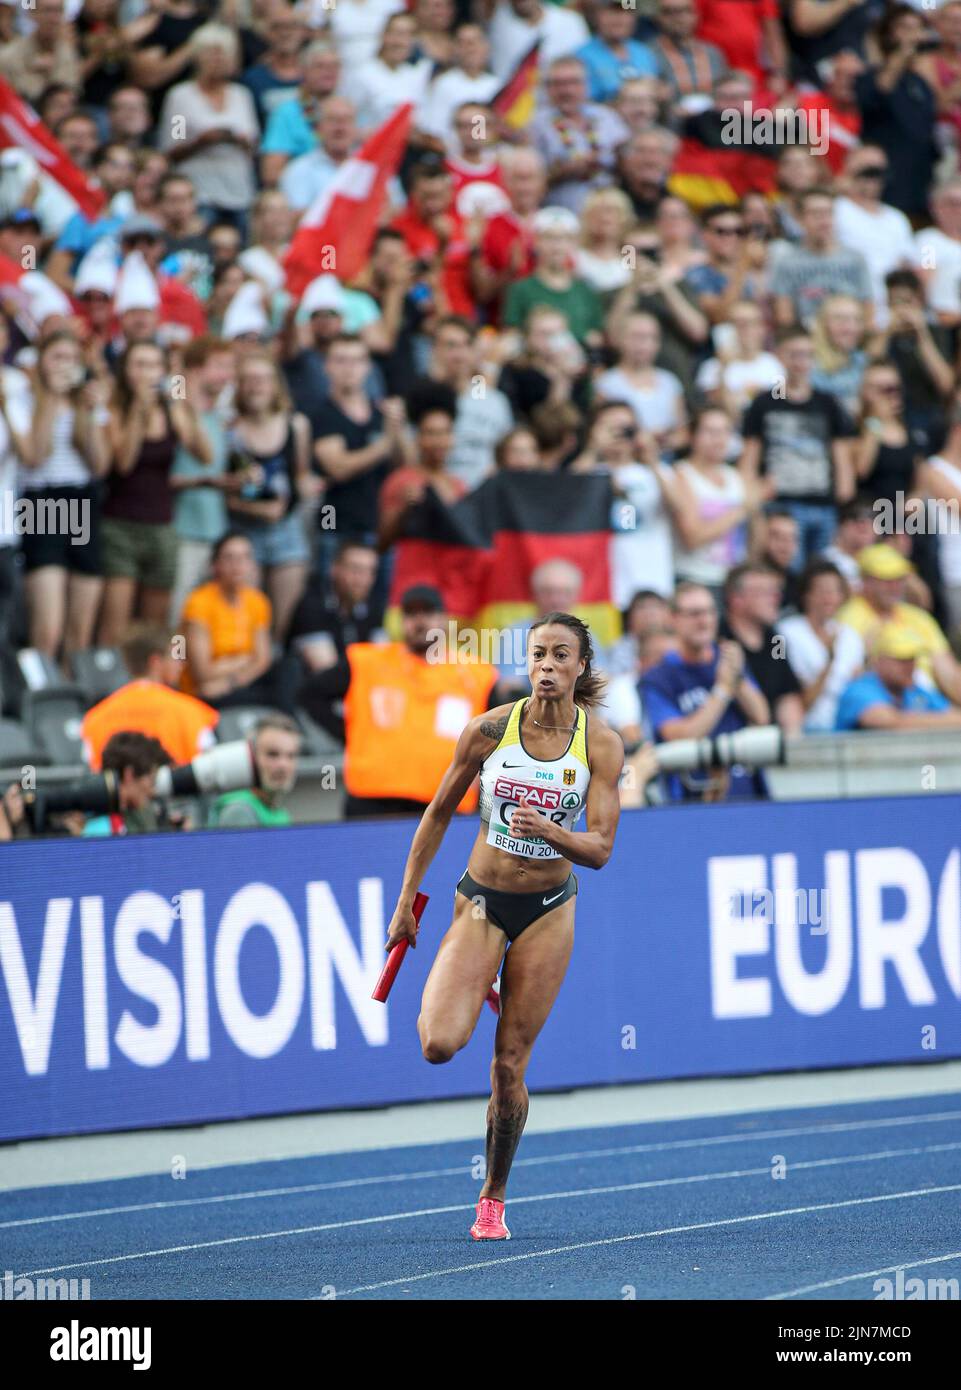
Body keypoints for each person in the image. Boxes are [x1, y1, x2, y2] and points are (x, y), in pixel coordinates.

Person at [384, 609, 623, 1240]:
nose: (547, 667)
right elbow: (437, 814)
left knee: (509, 1065)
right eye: (538, 655)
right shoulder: (489, 731)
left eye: (560, 657)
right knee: (437, 1044)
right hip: (482, 902)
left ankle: (492, 1197)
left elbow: (600, 850)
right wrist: (407, 898)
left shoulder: (599, 744)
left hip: (548, 912)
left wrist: (550, 831)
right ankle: (482, 972)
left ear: (580, 667)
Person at [341, 584, 499, 817]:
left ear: (444, 619)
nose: (420, 621)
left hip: (447, 800)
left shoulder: (477, 674)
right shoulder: (367, 662)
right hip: (373, 797)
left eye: (428, 613)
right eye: (411, 614)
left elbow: (499, 735)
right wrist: (349, 733)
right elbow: (311, 695)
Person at [98, 339, 213, 646]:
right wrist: (139, 409)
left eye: (153, 365)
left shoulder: (171, 408)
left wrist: (184, 403)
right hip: (119, 525)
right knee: (115, 627)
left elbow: (205, 454)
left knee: (155, 627)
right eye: (139, 364)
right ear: (126, 370)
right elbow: (123, 462)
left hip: (162, 525)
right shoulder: (115, 407)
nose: (146, 373)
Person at [739, 324, 857, 565]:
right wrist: (751, 493)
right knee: (788, 571)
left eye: (807, 354)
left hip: (823, 503)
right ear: (780, 357)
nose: (801, 362)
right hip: (781, 503)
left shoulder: (827, 403)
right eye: (794, 354)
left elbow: (840, 453)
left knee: (821, 571)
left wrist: (844, 494)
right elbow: (750, 455)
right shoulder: (765, 402)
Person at [641, 582, 769, 801]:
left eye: (710, 612)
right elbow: (678, 736)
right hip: (692, 796)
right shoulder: (657, 678)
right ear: (673, 619)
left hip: (746, 790)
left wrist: (736, 678)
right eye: (694, 614)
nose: (705, 621)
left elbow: (762, 717)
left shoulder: (729, 661)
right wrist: (722, 690)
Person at [224, 351, 313, 641]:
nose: (256, 386)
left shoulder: (296, 426)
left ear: (275, 384)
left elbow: (300, 476)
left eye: (263, 379)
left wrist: (307, 489)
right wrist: (254, 510)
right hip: (244, 532)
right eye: (248, 380)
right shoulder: (230, 431)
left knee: (284, 624)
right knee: (247, 621)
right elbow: (224, 491)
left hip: (286, 532)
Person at [82, 621, 219, 770]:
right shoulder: (192, 712)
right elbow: (210, 766)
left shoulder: (96, 717)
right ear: (155, 662)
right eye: (175, 656)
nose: (182, 664)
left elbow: (90, 768)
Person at [837, 542, 961, 703]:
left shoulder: (919, 617)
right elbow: (850, 679)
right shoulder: (848, 620)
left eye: (899, 579)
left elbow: (948, 673)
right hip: (882, 704)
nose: (894, 587)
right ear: (866, 581)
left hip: (929, 704)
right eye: (886, 580)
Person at [289, 540, 382, 741]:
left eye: (369, 572)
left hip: (354, 698)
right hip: (311, 702)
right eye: (355, 570)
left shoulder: (374, 609)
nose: (361, 579)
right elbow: (327, 674)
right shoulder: (312, 606)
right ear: (334, 569)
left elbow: (383, 669)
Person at [777, 559, 865, 732]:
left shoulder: (851, 636)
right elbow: (792, 696)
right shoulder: (782, 634)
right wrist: (829, 661)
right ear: (806, 594)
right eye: (822, 591)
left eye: (835, 591)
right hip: (806, 726)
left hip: (849, 727)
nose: (829, 598)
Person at [720, 563, 805, 733]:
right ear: (736, 599)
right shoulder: (719, 638)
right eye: (765, 593)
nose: (776, 599)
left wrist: (791, 738)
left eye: (776, 592)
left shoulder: (776, 639)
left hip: (773, 738)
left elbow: (787, 692)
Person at [835, 628, 961, 731]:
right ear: (879, 660)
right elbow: (888, 722)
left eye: (912, 658)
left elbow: (952, 715)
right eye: (901, 659)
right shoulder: (859, 689)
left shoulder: (914, 691)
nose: (910, 666)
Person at [208, 713, 302, 827]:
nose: (283, 765)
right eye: (272, 754)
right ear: (251, 757)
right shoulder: (239, 811)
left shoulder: (279, 813)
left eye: (291, 756)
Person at [81, 731, 172, 837]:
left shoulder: (146, 816)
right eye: (151, 780)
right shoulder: (99, 831)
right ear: (129, 775)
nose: (153, 791)